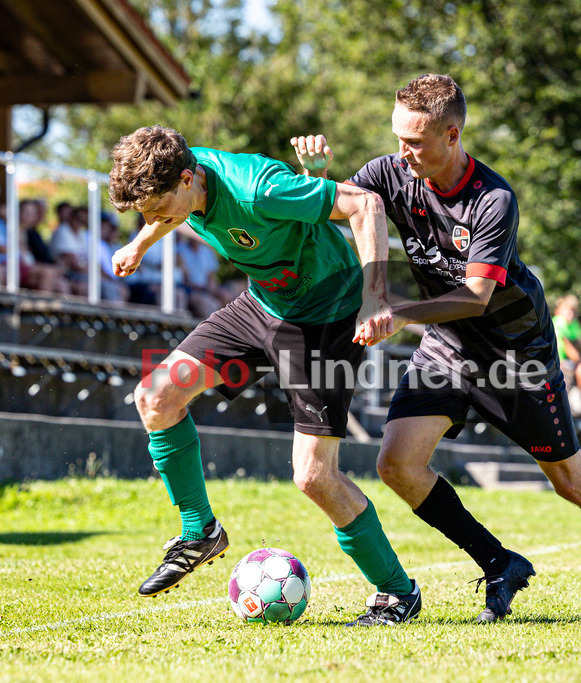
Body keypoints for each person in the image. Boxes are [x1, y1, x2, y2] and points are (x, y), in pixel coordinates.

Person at [293, 73, 581, 620]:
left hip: (518, 358)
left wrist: (397, 313)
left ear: (453, 135)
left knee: (573, 484)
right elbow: (346, 214)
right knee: (397, 465)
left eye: (415, 141)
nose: (401, 152)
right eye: (397, 137)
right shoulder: (391, 172)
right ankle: (498, 561)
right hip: (448, 350)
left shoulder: (494, 199)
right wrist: (315, 179)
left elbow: (475, 297)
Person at [107, 125, 422, 625]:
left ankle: (397, 592)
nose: (152, 220)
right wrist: (142, 244)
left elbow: (366, 205)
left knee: (314, 476)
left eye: (157, 210)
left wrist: (375, 296)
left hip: (325, 316)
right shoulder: (183, 183)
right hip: (262, 308)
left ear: (188, 179)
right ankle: (199, 532)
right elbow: (170, 209)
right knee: (156, 395)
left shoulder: (261, 188)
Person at [552, 294, 581, 408]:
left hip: (571, 362)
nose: (570, 314)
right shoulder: (558, 322)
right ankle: (568, 406)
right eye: (567, 310)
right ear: (558, 311)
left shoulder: (574, 325)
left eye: (572, 311)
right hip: (558, 361)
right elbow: (569, 349)